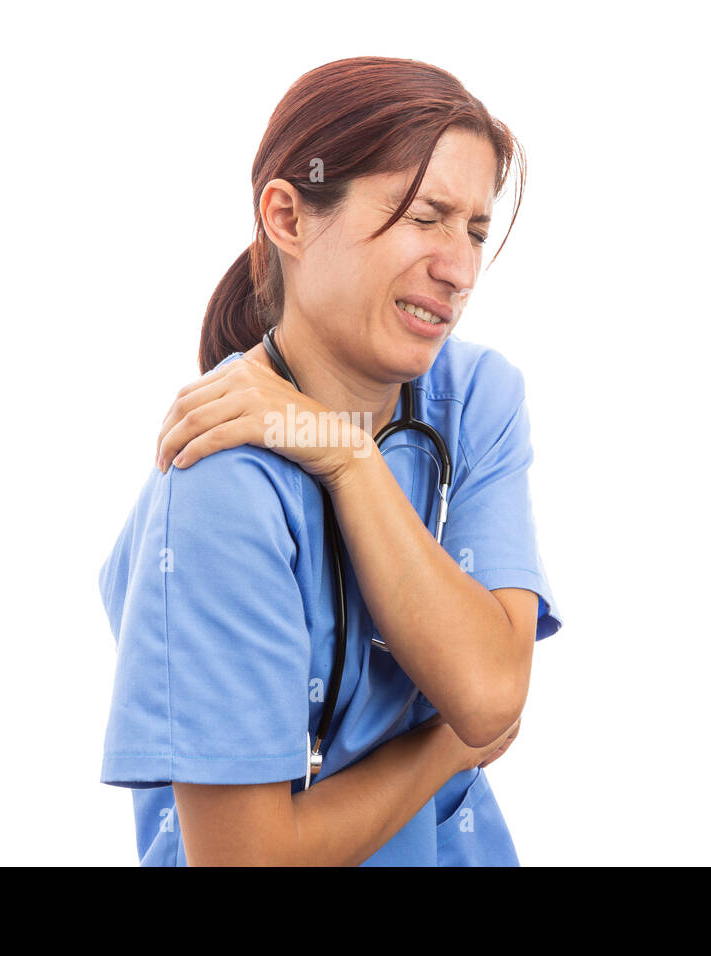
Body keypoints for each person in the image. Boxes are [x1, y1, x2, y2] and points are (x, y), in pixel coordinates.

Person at [99, 56, 564, 866]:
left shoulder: (475, 397)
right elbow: (248, 862)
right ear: (288, 215)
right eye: (425, 217)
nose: (458, 269)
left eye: (476, 230)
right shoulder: (218, 485)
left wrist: (347, 456)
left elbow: (490, 695)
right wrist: (442, 749)